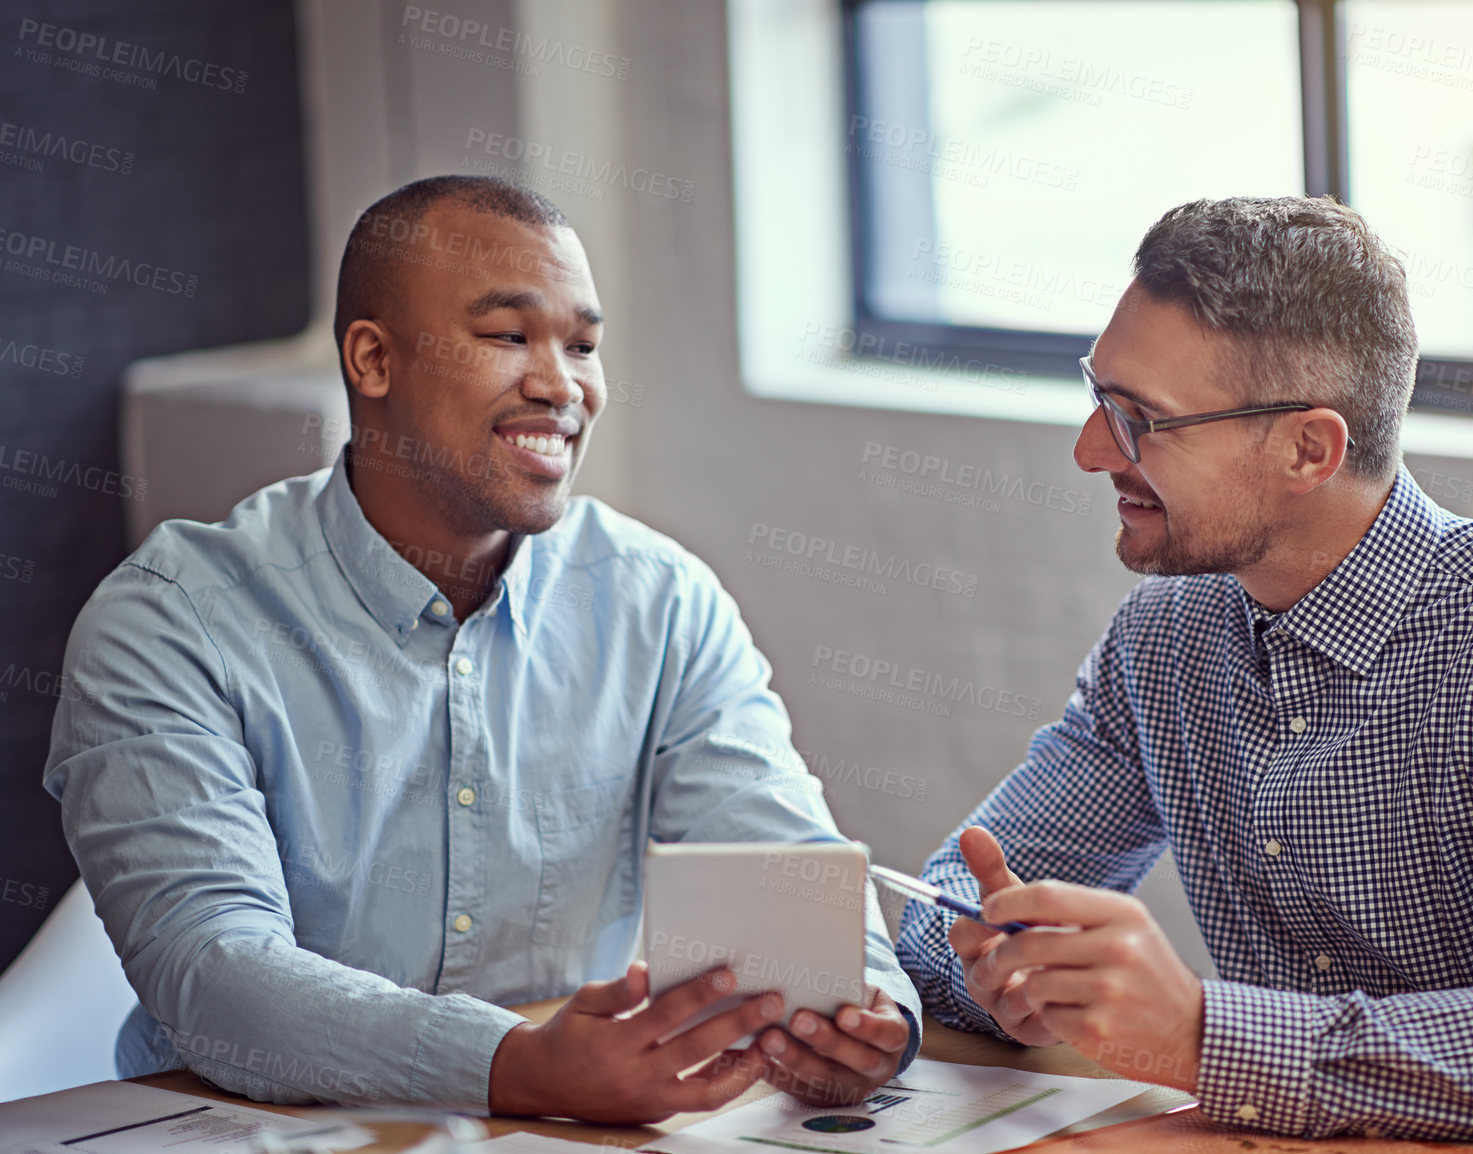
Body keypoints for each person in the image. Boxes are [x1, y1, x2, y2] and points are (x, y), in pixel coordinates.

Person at [45, 176, 918, 1123]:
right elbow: (214, 973)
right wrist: (520, 1066)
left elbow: (776, 865)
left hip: (559, 1130)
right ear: (373, 360)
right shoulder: (170, 622)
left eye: (582, 345)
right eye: (509, 336)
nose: (562, 384)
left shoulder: (657, 601)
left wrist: (868, 1015)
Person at [895, 196, 1473, 1154]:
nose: (1089, 452)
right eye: (1097, 396)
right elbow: (955, 895)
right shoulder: (1163, 638)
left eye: (1140, 421)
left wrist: (1203, 1038)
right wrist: (1002, 974)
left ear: (1308, 450)